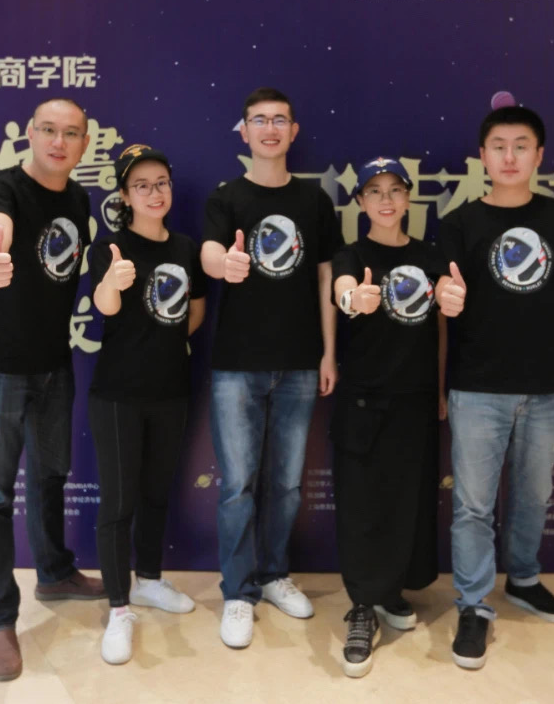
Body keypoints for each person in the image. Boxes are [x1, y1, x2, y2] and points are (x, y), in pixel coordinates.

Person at [437, 105, 554, 670]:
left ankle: (524, 579)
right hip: (478, 388)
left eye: (521, 146)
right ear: (482, 156)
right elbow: (444, 298)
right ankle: (473, 605)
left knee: (533, 494)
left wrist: (544, 332)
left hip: (547, 389)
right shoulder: (459, 223)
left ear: (539, 155)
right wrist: (447, 301)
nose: (509, 157)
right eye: (498, 146)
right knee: (473, 505)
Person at [0, 97, 106, 683]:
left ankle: (54, 572)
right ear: (31, 133)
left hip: (55, 365)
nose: (58, 141)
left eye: (70, 133)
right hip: (0, 368)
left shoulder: (78, 198)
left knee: (51, 475)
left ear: (83, 144)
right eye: (48, 130)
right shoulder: (3, 187)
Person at [200, 87, 341, 649]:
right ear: (244, 131)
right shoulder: (226, 198)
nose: (270, 128)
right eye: (259, 120)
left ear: (293, 131)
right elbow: (210, 254)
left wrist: (328, 352)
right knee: (238, 486)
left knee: (285, 485)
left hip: (300, 365)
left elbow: (327, 277)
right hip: (237, 367)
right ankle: (238, 592)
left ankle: (273, 573)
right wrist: (226, 263)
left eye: (280, 119)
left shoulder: (314, 201)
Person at [329, 157, 466, 678]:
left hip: (415, 399)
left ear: (408, 199)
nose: (385, 200)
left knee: (407, 500)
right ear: (360, 201)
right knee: (362, 502)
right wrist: (354, 298)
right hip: (363, 400)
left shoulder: (430, 257)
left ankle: (388, 592)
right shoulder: (351, 255)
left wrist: (439, 387)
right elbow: (343, 290)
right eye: (375, 191)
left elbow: (441, 326)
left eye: (394, 190)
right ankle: (361, 607)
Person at [87, 145, 207, 665]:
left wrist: (168, 341)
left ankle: (150, 580)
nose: (154, 193)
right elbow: (104, 306)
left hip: (171, 391)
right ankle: (119, 608)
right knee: (119, 504)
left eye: (161, 183)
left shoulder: (185, 247)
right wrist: (112, 284)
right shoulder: (110, 247)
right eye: (142, 185)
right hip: (118, 395)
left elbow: (196, 310)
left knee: (158, 494)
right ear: (124, 195)